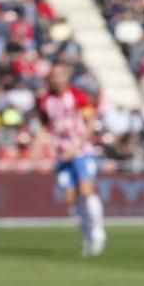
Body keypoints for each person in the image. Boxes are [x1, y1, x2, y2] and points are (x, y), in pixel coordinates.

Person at [41, 62, 107, 257]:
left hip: (82, 151)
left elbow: (90, 122)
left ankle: (98, 231)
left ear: (66, 78)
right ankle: (87, 234)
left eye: (61, 75)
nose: (57, 79)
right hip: (62, 155)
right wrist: (40, 147)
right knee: (69, 199)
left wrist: (76, 146)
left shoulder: (77, 96)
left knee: (86, 191)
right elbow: (46, 126)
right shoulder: (45, 101)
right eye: (54, 75)